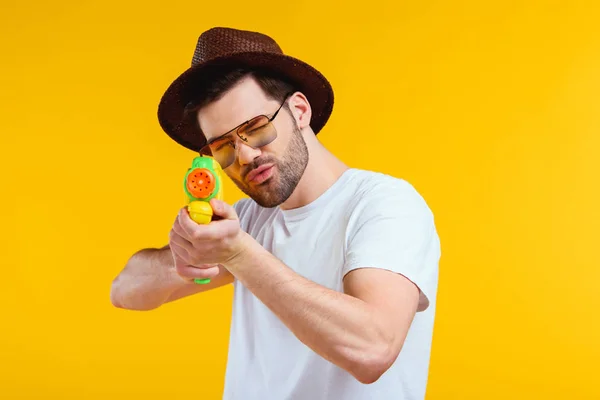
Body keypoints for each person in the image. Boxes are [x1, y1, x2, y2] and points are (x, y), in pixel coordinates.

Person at [110, 27, 442, 400]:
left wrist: (238, 253)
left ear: (299, 111)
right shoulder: (247, 222)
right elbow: (124, 292)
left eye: (255, 128)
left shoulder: (385, 204)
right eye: (224, 147)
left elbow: (372, 350)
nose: (246, 156)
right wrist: (185, 255)